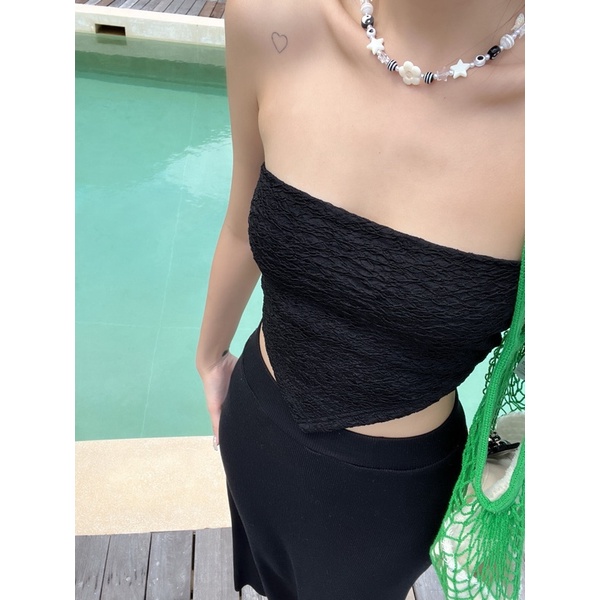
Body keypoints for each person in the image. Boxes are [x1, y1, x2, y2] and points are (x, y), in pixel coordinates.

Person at [196, 0, 524, 598]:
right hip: (256, 423)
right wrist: (210, 356)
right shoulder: (272, 18)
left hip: (388, 501)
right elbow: (243, 220)